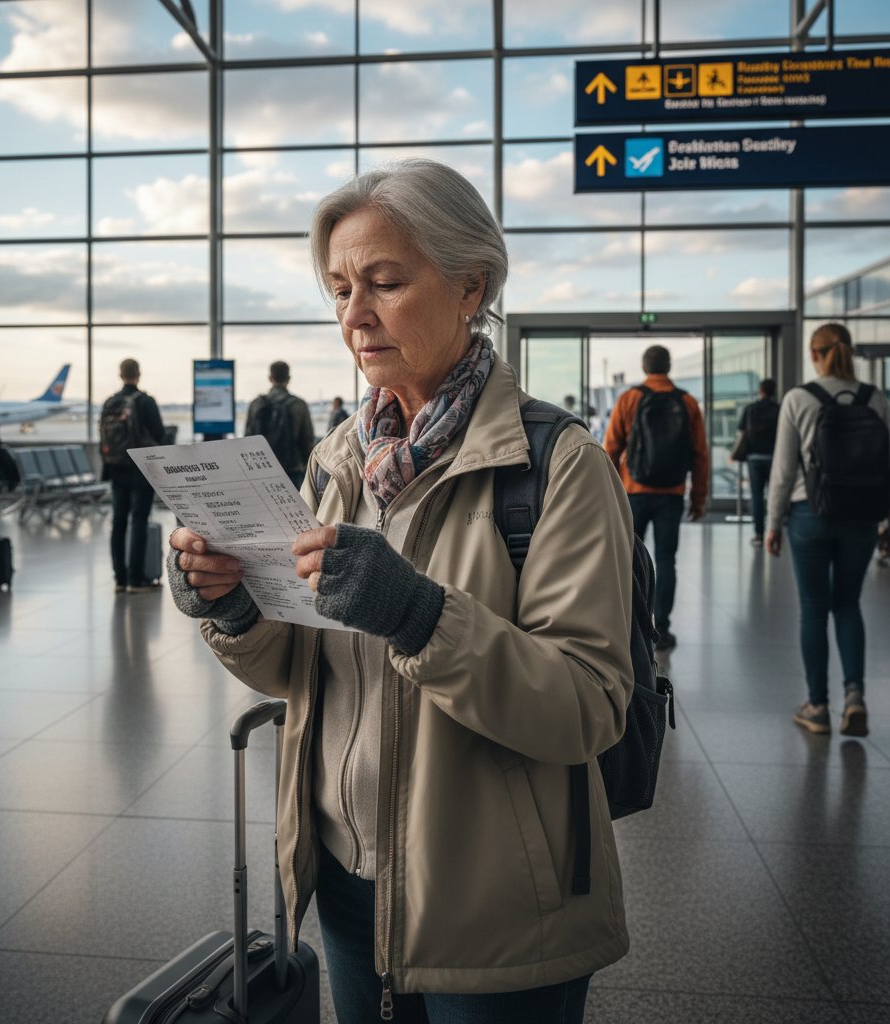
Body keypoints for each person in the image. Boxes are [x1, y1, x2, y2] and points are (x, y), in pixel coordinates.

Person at [167, 159, 634, 1023]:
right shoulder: (337, 459)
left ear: (471, 287)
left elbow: (588, 705)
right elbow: (302, 669)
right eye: (340, 287)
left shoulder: (559, 466)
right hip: (346, 885)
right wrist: (232, 601)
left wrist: (420, 616)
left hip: (496, 907)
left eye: (384, 281)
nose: (354, 314)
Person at [765, 323, 890, 738]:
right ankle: (855, 695)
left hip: (809, 515)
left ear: (814, 354)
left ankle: (817, 706)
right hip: (862, 517)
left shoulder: (799, 398)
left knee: (814, 608)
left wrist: (772, 524)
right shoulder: (876, 398)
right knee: (848, 604)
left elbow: (783, 472)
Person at [604, 344, 709, 652]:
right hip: (672, 493)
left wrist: (607, 492)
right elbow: (700, 455)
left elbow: (610, 447)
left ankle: (628, 626)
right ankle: (661, 629)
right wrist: (699, 498)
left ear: (644, 366)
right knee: (666, 561)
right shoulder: (688, 403)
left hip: (633, 492)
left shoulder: (630, 399)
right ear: (669, 366)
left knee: (626, 559)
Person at [99, 358, 166, 594]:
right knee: (138, 520)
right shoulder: (145, 402)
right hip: (140, 468)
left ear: (120, 374)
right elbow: (159, 432)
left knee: (118, 521)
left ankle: (119, 578)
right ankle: (136, 580)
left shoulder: (110, 402)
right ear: (139, 374)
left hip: (116, 468)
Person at [244, 361, 315, 489]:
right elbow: (307, 440)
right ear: (288, 379)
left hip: (261, 471)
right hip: (291, 470)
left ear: (270, 378)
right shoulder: (298, 405)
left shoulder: (256, 404)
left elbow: (247, 438)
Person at [735, 378, 779, 546]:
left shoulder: (751, 408)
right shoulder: (779, 409)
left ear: (761, 390)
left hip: (753, 458)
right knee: (774, 494)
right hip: (773, 457)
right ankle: (774, 530)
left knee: (757, 496)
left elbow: (741, 431)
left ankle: (759, 534)